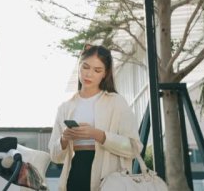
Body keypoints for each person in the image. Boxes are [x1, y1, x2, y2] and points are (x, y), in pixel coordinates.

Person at [48, 44, 143, 191]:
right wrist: (64, 139)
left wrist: (99, 135)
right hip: (74, 178)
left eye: (97, 70)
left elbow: (133, 148)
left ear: (105, 74)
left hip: (109, 183)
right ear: (79, 66)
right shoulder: (65, 107)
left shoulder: (117, 102)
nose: (89, 74)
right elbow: (55, 157)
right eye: (85, 67)